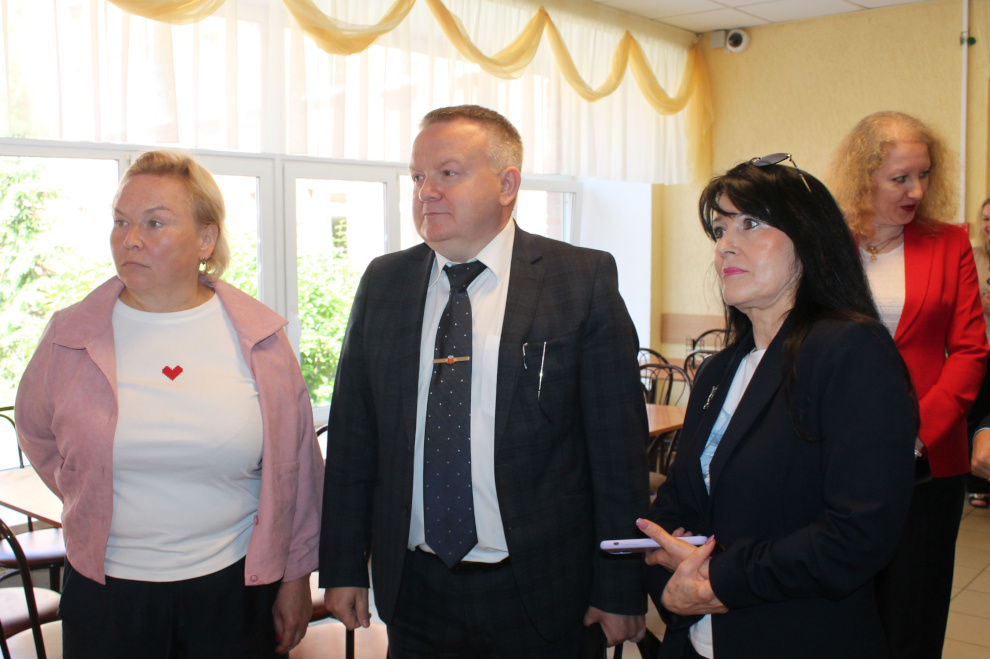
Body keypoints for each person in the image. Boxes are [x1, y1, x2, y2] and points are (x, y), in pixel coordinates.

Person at [319, 105, 649, 657]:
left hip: (543, 590)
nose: (426, 191)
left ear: (507, 184)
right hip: (416, 589)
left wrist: (620, 583)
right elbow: (354, 439)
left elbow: (617, 451)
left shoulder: (580, 278)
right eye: (417, 177)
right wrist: (344, 565)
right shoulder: (384, 281)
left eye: (447, 173)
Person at [14, 150, 324, 658]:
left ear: (205, 239)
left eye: (154, 223)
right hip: (106, 593)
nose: (130, 239)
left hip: (234, 590)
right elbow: (38, 434)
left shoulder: (261, 339)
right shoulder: (69, 335)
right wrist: (90, 491)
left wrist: (295, 576)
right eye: (121, 221)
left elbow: (297, 468)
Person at [638, 156, 917, 658]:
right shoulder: (718, 371)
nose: (726, 245)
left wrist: (718, 579)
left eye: (751, 224)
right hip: (695, 642)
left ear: (809, 241)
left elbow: (858, 532)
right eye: (720, 230)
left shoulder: (851, 350)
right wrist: (670, 579)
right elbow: (679, 501)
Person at [827, 111, 988, 658]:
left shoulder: (949, 243)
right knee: (841, 608)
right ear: (863, 176)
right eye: (900, 178)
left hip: (928, 462)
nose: (916, 190)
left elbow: (970, 350)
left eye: (924, 175)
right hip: (839, 455)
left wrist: (916, 432)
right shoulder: (828, 246)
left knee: (912, 614)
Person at [966, 198, 990, 507]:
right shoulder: (973, 256)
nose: (989, 225)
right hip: (980, 349)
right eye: (985, 218)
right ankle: (976, 484)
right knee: (975, 415)